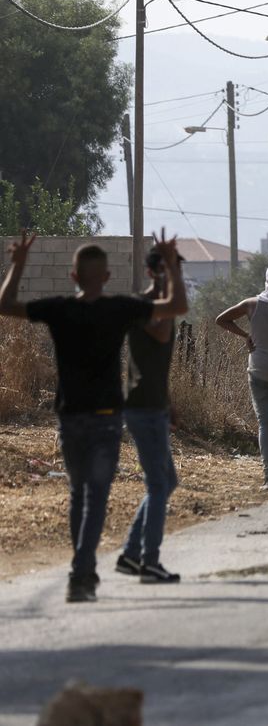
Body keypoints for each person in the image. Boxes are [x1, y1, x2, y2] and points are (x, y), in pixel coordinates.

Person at [0, 231, 188, 603]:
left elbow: (5, 304)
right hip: (105, 418)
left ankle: (82, 569)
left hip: (70, 417)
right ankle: (81, 573)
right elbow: (176, 307)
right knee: (97, 497)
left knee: (77, 494)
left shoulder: (59, 308)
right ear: (106, 277)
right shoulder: (119, 309)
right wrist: (171, 267)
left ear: (72, 277)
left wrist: (18, 264)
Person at [115, 247, 186, 585]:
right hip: (142, 408)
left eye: (177, 270)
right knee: (158, 485)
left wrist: (168, 398)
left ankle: (130, 555)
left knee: (166, 482)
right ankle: (150, 562)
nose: (176, 276)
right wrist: (171, 288)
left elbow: (154, 361)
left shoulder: (157, 307)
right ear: (152, 273)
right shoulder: (141, 306)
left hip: (153, 404)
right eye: (170, 270)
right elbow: (159, 332)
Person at [215, 264, 268, 491]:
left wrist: (246, 335)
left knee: (265, 422)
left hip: (258, 369)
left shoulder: (251, 304)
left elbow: (221, 319)